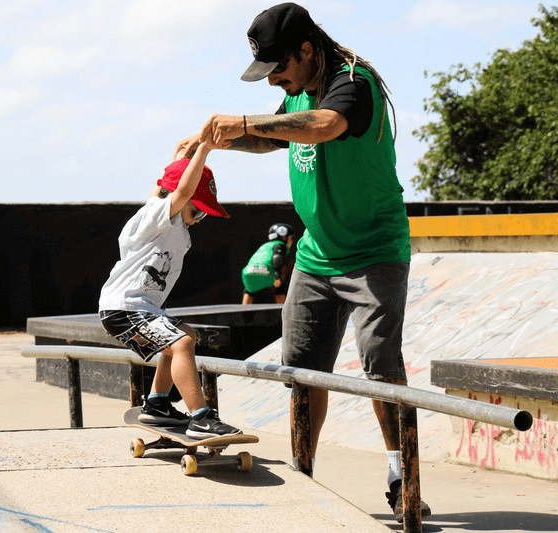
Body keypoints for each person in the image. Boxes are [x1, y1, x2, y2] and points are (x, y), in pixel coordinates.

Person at [176, 2, 429, 521]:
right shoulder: (300, 89)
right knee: (302, 370)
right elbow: (276, 136)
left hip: (374, 252)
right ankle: (304, 473)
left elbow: (325, 125)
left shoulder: (353, 84)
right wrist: (215, 141)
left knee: (381, 366)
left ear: (307, 50)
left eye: (280, 70)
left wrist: (245, 120)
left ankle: (401, 472)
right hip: (316, 255)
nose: (275, 84)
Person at [98, 139, 242, 440]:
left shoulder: (158, 211)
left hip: (140, 308)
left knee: (186, 335)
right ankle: (201, 418)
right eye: (197, 212)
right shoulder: (159, 216)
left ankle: (158, 404)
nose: (198, 220)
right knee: (181, 345)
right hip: (124, 307)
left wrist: (179, 160)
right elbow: (181, 191)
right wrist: (204, 150)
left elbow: (166, 186)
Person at [241, 223, 296, 304]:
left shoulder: (265, 245)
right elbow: (277, 257)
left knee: (249, 291)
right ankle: (282, 312)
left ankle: (244, 314)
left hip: (247, 272)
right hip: (266, 271)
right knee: (280, 287)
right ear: (284, 237)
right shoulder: (280, 245)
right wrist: (277, 274)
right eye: (291, 238)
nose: (292, 241)